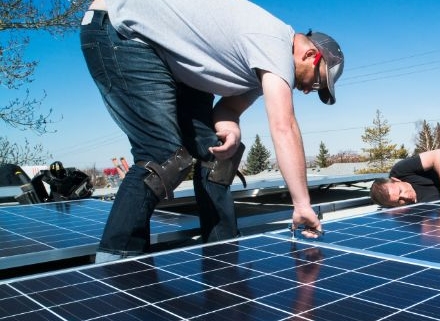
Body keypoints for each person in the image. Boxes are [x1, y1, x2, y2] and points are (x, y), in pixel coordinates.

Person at [81, 0, 343, 262]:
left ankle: (222, 253)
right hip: (122, 31)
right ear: (310, 55)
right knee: (162, 156)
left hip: (172, 59)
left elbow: (227, 112)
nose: (308, 90)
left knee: (216, 156)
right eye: (317, 82)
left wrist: (231, 130)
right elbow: (283, 126)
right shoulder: (276, 44)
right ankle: (115, 268)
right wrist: (302, 204)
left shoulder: (260, 66)